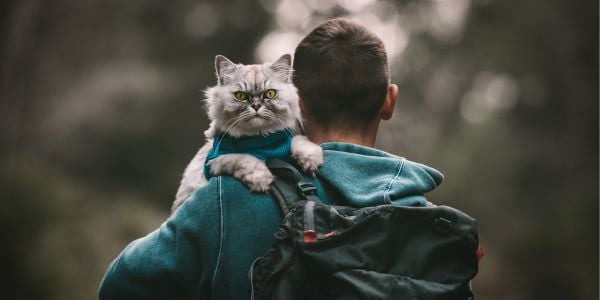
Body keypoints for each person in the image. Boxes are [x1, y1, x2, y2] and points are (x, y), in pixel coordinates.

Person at [99, 18, 443, 299]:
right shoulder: (428, 223)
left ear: (298, 104)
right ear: (390, 101)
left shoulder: (227, 199)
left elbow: (119, 286)